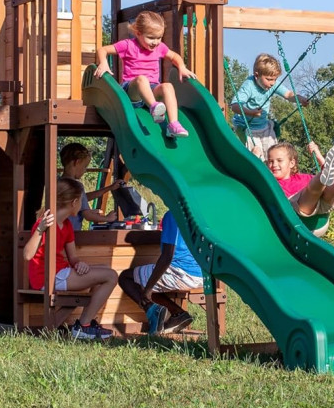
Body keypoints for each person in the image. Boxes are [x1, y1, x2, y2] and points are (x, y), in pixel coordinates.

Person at [24, 177, 119, 340]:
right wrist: (40, 229)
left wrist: (79, 264)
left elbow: (73, 257)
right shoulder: (45, 223)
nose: (82, 206)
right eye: (81, 201)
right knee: (111, 276)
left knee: (105, 269)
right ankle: (83, 326)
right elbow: (27, 255)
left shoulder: (67, 225)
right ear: (74, 202)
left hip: (60, 272)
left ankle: (85, 324)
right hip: (46, 278)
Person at [94, 10, 195, 139]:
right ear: (138, 33)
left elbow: (174, 56)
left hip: (151, 90)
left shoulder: (160, 47)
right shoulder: (128, 45)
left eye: (159, 38)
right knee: (142, 79)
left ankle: (173, 125)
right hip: (131, 92)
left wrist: (182, 67)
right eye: (151, 38)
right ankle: (154, 108)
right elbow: (102, 50)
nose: (155, 42)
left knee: (167, 86)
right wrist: (103, 63)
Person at [118, 210, 201, 335]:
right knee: (147, 278)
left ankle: (152, 311)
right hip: (203, 274)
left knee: (126, 278)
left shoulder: (173, 215)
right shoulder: (197, 213)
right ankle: (178, 313)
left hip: (182, 273)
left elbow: (167, 257)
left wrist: (148, 289)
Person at [230, 53, 309, 160]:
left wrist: (300, 99)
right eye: (269, 79)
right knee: (257, 156)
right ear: (256, 75)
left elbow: (288, 95)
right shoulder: (249, 86)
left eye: (275, 79)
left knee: (272, 155)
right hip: (246, 127)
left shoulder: (272, 84)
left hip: (263, 126)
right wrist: (251, 112)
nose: (272, 83)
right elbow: (234, 106)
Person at [59, 142, 123, 229]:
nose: (85, 170)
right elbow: (87, 215)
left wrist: (109, 188)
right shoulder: (77, 186)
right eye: (85, 166)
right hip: (73, 233)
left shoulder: (58, 183)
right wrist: (107, 218)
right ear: (77, 162)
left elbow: (83, 198)